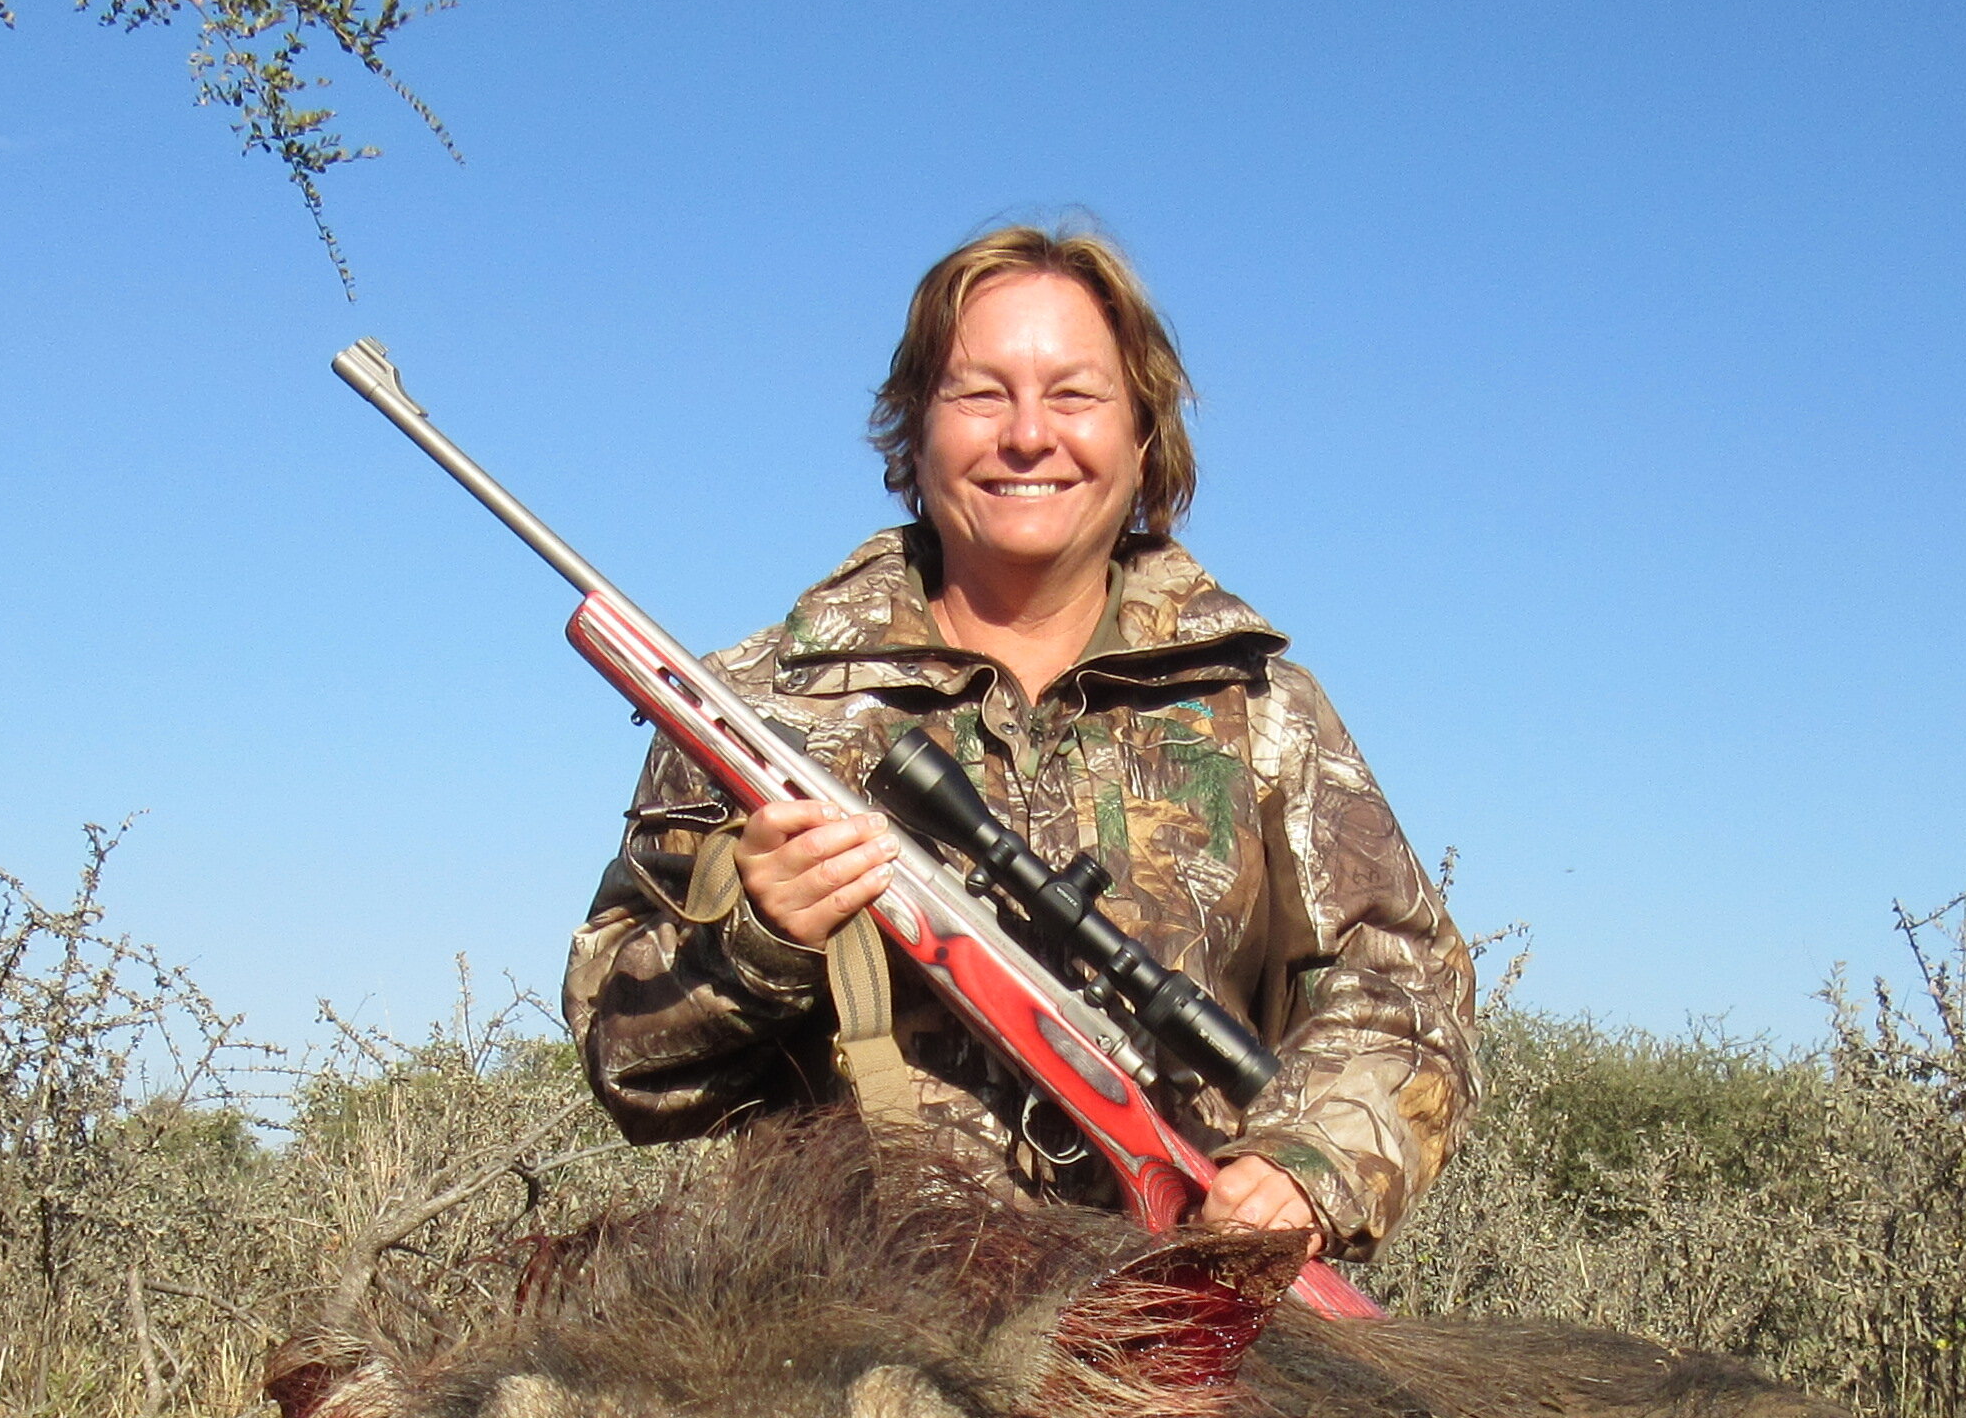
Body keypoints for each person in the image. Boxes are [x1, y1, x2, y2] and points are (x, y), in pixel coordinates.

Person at [566, 225, 1475, 1254]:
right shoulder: (759, 712)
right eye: (980, 393)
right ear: (914, 431)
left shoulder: (1260, 706)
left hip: (1176, 1341)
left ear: (1144, 436)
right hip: (847, 1362)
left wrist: (1304, 1167)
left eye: (1076, 395)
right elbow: (627, 1064)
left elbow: (1409, 992)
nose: (1028, 435)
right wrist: (760, 939)